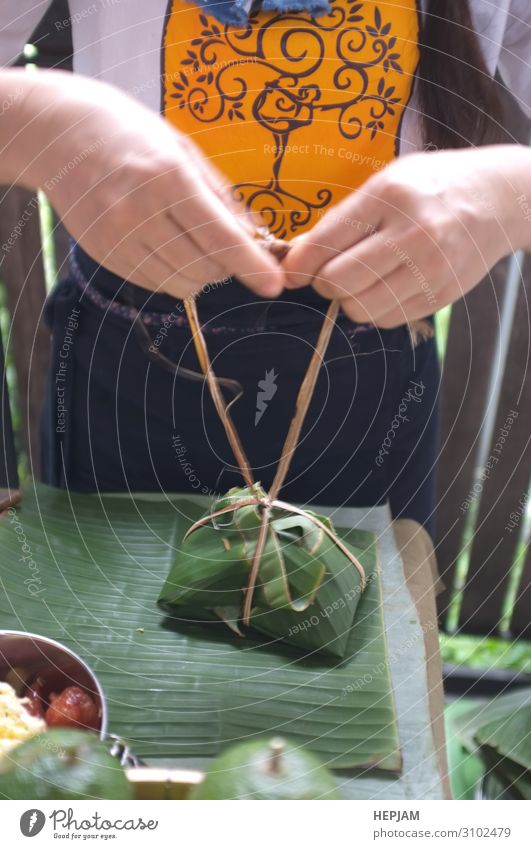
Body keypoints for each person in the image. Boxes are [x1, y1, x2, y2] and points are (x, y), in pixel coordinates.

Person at [0, 0, 530, 540]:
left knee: (355, 615)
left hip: (370, 378)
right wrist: (36, 125)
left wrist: (512, 194)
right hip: (122, 372)